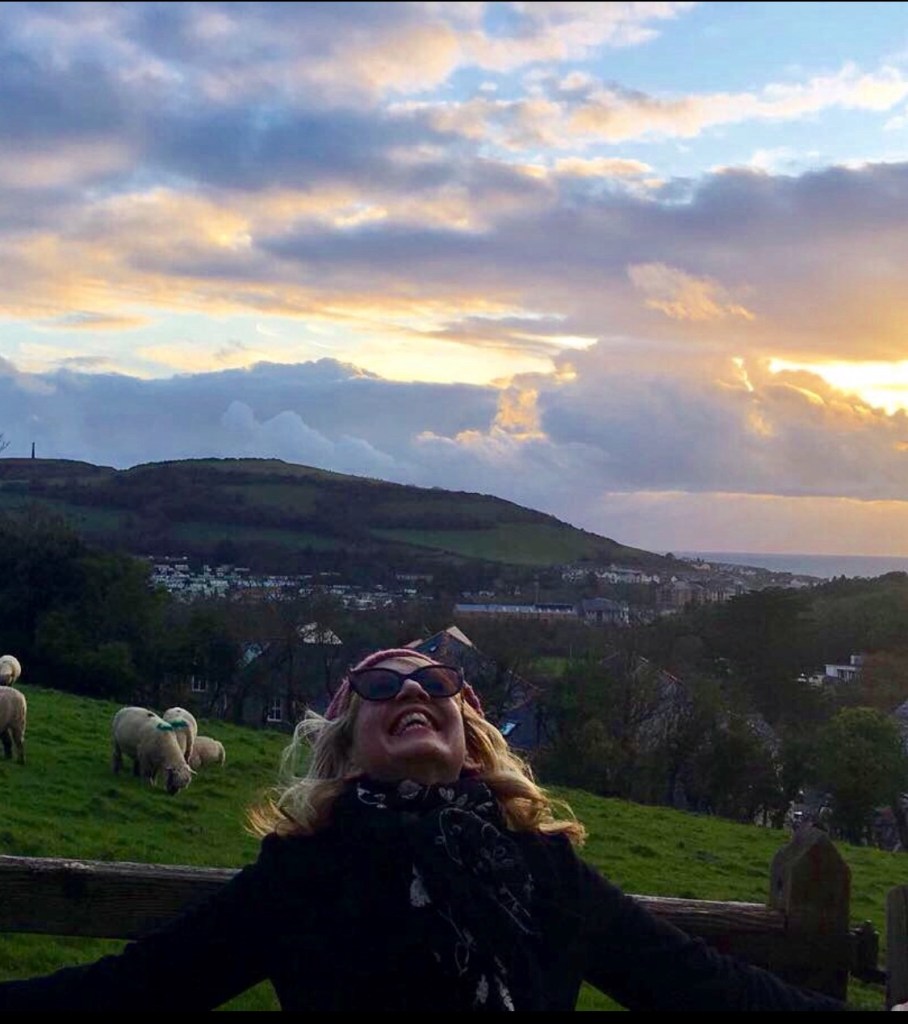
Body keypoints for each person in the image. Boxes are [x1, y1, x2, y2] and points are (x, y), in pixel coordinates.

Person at [0, 647, 872, 1011]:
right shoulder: (303, 873)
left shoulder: (543, 872)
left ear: (469, 736)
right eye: (380, 687)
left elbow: (697, 984)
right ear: (347, 750)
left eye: (437, 681)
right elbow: (138, 987)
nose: (413, 688)